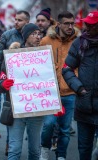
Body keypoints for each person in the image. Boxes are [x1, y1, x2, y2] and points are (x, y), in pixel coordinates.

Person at [0, 23, 43, 160]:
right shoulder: (13, 57)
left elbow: (51, 82)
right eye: (34, 34)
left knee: (35, 150)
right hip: (16, 109)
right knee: (14, 150)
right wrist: (3, 84)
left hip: (37, 109)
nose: (38, 37)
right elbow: (0, 83)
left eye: (39, 34)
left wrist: (56, 102)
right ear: (26, 36)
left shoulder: (44, 56)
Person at [39, 11, 79, 160]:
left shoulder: (78, 41)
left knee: (65, 129)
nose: (70, 26)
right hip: (50, 92)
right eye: (67, 23)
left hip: (70, 91)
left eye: (72, 23)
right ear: (59, 24)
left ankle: (61, 155)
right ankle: (44, 148)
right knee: (49, 125)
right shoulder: (45, 41)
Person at [62, 11, 98, 160]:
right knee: (84, 149)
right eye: (86, 24)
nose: (87, 27)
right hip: (84, 105)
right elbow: (67, 69)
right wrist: (79, 88)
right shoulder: (79, 43)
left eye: (92, 25)